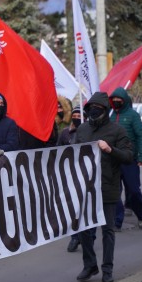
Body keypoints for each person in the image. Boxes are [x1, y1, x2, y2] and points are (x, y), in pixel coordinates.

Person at [74, 92, 133, 282]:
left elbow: (128, 156)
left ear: (105, 110)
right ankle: (90, 265)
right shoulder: (81, 130)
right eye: (90, 108)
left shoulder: (117, 131)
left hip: (107, 187)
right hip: (85, 188)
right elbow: (70, 154)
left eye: (97, 108)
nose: (93, 111)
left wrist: (109, 149)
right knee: (84, 230)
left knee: (107, 230)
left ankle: (107, 269)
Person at [109, 87, 142, 230]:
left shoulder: (133, 115)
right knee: (114, 192)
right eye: (114, 100)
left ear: (124, 101)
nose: (116, 101)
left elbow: (141, 136)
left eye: (119, 100)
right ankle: (117, 221)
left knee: (134, 190)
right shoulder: (110, 115)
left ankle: (141, 214)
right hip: (113, 160)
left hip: (129, 160)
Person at [58, 106, 84, 252]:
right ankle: (75, 237)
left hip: (86, 175)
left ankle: (88, 235)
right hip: (69, 175)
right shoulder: (65, 133)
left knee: (84, 207)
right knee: (72, 207)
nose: (76, 118)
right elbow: (57, 151)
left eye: (80, 115)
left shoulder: (88, 132)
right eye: (74, 115)